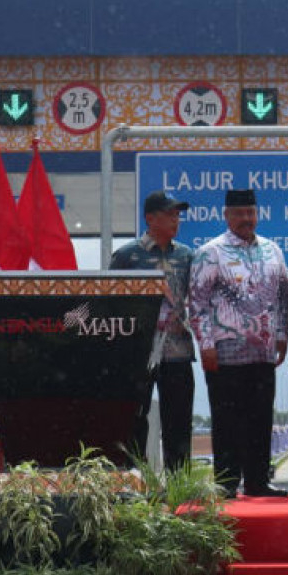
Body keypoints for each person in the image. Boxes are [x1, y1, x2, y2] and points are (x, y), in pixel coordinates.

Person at [188, 188, 288, 498]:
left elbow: (283, 298)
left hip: (263, 351)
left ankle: (258, 481)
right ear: (227, 215)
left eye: (251, 213)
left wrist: (283, 336)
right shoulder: (211, 252)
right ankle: (227, 483)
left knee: (261, 418)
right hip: (224, 352)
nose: (246, 219)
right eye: (239, 213)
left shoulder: (273, 250)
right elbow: (197, 302)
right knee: (227, 420)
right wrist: (205, 343)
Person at [109, 190, 196, 473]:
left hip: (178, 350)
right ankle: (136, 477)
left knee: (179, 419)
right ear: (150, 218)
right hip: (137, 353)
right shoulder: (126, 256)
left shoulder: (187, 256)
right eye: (170, 214)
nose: (176, 219)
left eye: (177, 214)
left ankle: (179, 480)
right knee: (135, 416)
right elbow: (111, 305)